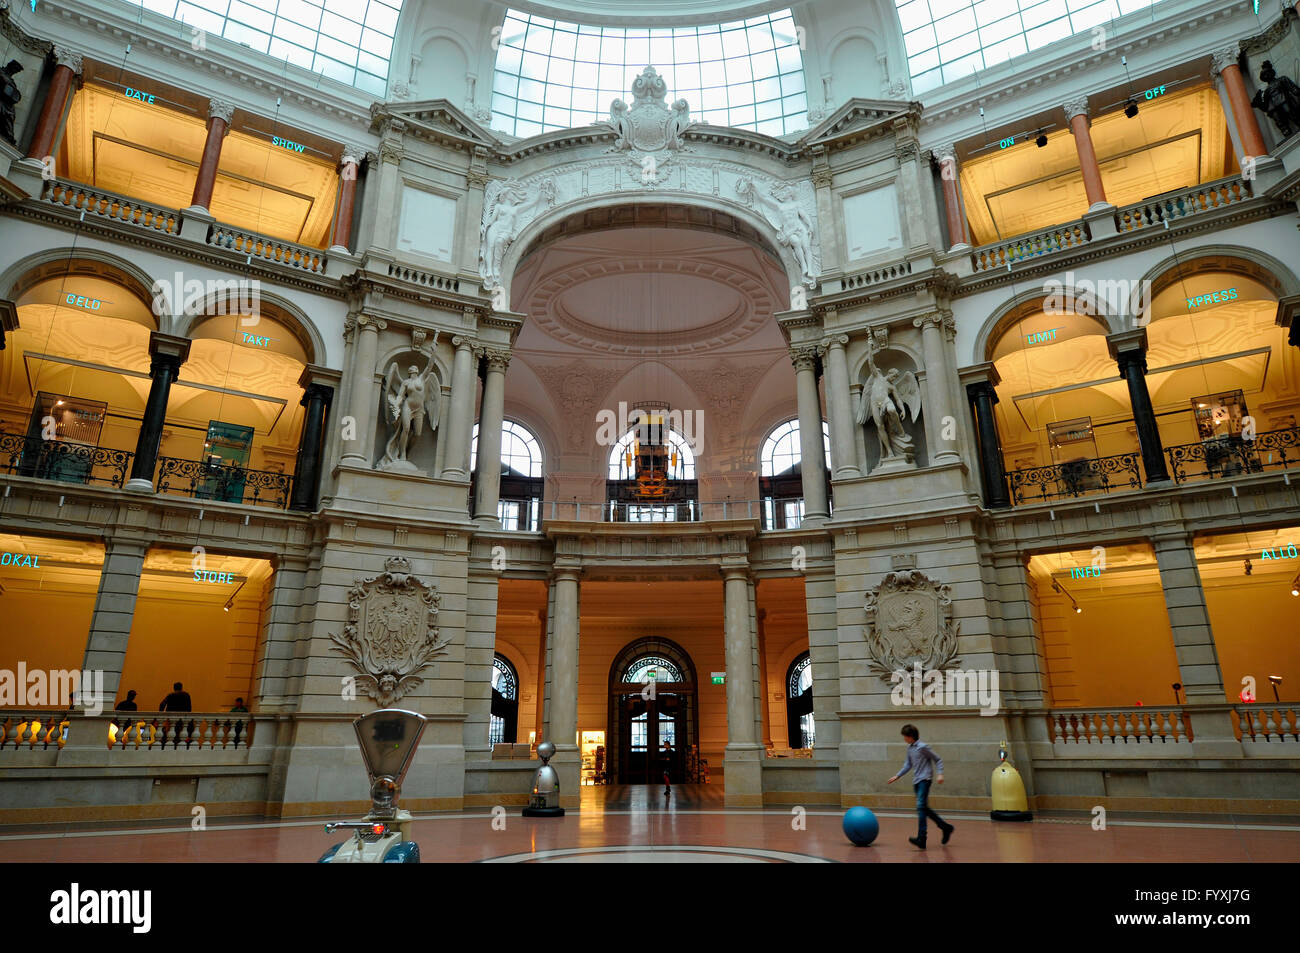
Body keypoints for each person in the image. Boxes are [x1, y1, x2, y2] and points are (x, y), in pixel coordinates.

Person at [887, 724, 953, 850]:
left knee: (920, 807)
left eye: (905, 737)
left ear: (911, 736)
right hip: (916, 781)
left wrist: (940, 774)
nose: (904, 739)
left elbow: (937, 759)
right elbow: (908, 765)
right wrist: (897, 776)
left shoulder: (923, 747)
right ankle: (946, 827)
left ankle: (922, 838)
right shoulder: (910, 748)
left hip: (925, 779)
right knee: (924, 808)